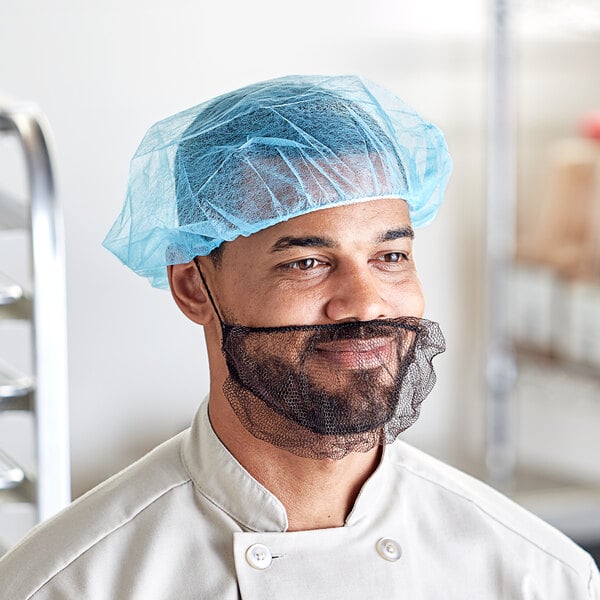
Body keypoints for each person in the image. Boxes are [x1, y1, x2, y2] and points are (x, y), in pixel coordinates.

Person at [0, 75, 598, 599]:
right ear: (192, 288)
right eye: (307, 262)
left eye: (390, 255)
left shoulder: (539, 576)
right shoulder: (67, 583)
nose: (366, 302)